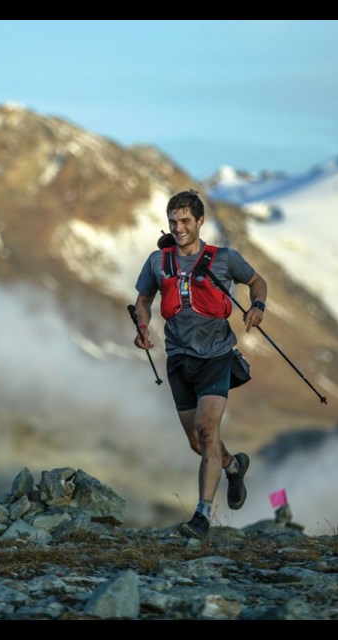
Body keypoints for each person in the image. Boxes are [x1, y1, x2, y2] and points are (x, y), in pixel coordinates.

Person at [132, 189, 268, 538]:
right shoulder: (157, 263)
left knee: (208, 432)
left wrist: (257, 307)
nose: (178, 228)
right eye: (173, 222)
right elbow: (144, 299)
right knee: (198, 442)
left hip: (216, 356)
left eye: (185, 221)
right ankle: (234, 467)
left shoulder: (224, 258)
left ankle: (202, 517)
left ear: (200, 222)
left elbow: (257, 282)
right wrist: (142, 326)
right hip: (178, 359)